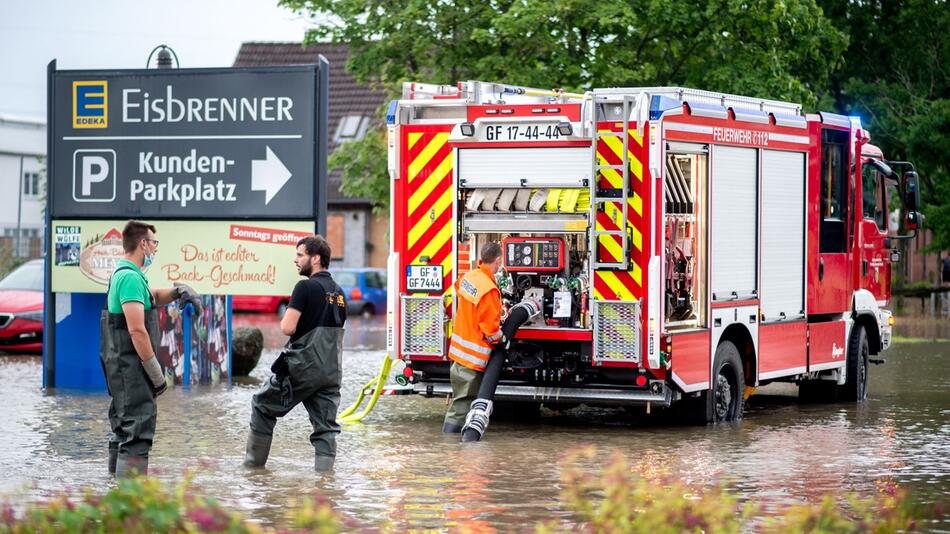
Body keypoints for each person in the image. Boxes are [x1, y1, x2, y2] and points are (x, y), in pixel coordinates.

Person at [100, 220, 202, 477]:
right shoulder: (129, 278)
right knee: (137, 431)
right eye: (154, 243)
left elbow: (153, 297)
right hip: (131, 369)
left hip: (122, 368)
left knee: (123, 429)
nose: (155, 249)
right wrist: (155, 372)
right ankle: (132, 502)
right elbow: (136, 330)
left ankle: (115, 494)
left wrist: (178, 292)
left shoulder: (127, 275)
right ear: (143, 244)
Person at [243, 235, 346, 472]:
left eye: (300, 255)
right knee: (326, 428)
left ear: (316, 258)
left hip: (303, 368)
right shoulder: (339, 293)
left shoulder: (305, 287)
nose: (295, 260)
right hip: (331, 371)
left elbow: (287, 328)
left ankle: (253, 470)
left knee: (261, 404)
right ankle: (325, 482)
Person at [443, 242, 505, 434]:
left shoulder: (468, 277)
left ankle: (448, 446)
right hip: (472, 359)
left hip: (458, 356)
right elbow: (490, 329)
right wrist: (503, 338)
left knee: (459, 401)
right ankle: (451, 442)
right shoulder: (489, 289)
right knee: (462, 407)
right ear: (497, 261)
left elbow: (459, 289)